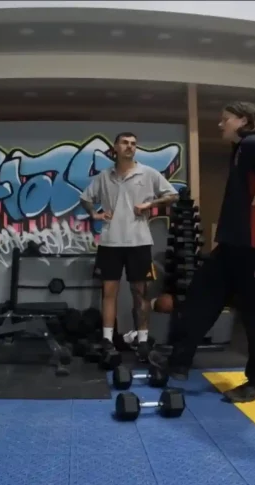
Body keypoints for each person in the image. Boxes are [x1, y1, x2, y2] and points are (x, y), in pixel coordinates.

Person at [161, 102, 255, 403]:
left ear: (245, 120)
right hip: (233, 244)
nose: (220, 125)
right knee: (201, 298)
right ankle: (179, 361)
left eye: (226, 120)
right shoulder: (239, 151)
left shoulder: (252, 143)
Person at [80, 132, 179, 360]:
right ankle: (107, 340)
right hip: (110, 242)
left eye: (134, 144)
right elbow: (85, 198)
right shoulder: (104, 177)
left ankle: (143, 341)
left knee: (140, 293)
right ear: (115, 147)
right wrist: (95, 213)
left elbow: (172, 195)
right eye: (125, 143)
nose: (130, 147)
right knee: (109, 293)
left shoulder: (148, 173)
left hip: (139, 242)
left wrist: (150, 203)